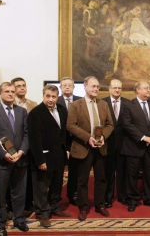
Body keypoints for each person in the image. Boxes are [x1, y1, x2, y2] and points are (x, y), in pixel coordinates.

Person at [0, 82, 29, 235]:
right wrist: (4, 154)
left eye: (12, 91)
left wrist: (21, 151)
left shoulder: (22, 111)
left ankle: (19, 219)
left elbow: (27, 135)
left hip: (19, 159)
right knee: (0, 196)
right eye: (7, 91)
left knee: (19, 193)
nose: (10, 94)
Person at [66, 76, 114, 221]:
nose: (95, 89)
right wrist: (88, 137)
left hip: (100, 148)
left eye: (98, 87)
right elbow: (71, 125)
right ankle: (83, 207)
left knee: (101, 178)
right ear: (85, 87)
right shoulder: (75, 105)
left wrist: (103, 137)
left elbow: (110, 125)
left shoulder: (103, 104)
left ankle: (100, 205)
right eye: (93, 86)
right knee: (82, 180)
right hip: (83, 147)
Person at [28, 85, 71, 228]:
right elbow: (34, 139)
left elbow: (64, 133)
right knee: (41, 188)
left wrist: (67, 150)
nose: (50, 99)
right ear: (43, 96)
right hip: (44, 158)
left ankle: (55, 207)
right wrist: (40, 160)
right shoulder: (36, 113)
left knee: (56, 185)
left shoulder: (62, 109)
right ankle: (42, 214)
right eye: (48, 96)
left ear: (57, 97)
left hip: (59, 156)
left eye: (53, 96)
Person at [119, 81, 150, 212]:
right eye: (146, 88)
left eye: (149, 88)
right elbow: (127, 125)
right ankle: (133, 199)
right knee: (132, 175)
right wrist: (144, 138)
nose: (149, 90)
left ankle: (149, 198)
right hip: (134, 146)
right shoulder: (128, 105)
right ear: (137, 90)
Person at [10, 77, 37, 217]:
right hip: (13, 147)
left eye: (24, 85)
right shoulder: (8, 103)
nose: (22, 88)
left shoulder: (33, 104)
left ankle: (28, 204)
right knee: (13, 179)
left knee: (29, 177)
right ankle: (10, 207)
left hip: (29, 146)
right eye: (18, 86)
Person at [102, 79, 130, 207]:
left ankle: (122, 196)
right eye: (114, 88)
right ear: (109, 88)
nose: (117, 90)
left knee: (122, 172)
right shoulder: (103, 103)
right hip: (107, 144)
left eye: (119, 88)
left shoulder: (127, 103)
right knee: (108, 172)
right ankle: (107, 197)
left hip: (124, 144)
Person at [57, 77, 82, 206]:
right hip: (61, 140)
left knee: (75, 169)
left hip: (76, 139)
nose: (67, 87)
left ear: (73, 87)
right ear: (60, 87)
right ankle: (56, 197)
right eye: (64, 85)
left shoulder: (80, 101)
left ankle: (74, 194)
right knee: (59, 169)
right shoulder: (56, 100)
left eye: (69, 85)